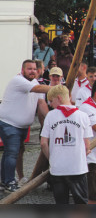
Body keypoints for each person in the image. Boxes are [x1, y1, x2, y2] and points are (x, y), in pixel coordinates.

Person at [0, 60, 51, 192]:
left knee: (9, 153)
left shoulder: (35, 83)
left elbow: (41, 104)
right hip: (9, 123)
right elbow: (38, 89)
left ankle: (4, 180)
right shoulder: (18, 80)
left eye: (34, 69)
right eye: (29, 69)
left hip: (21, 126)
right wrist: (57, 88)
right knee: (12, 153)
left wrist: (52, 118)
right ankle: (10, 182)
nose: (32, 71)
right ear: (22, 70)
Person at [40, 85, 92, 204]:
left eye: (51, 101)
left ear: (59, 98)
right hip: (77, 168)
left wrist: (52, 159)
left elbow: (43, 143)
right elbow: (87, 146)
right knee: (81, 203)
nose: (51, 105)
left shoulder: (50, 116)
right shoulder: (83, 116)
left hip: (58, 169)